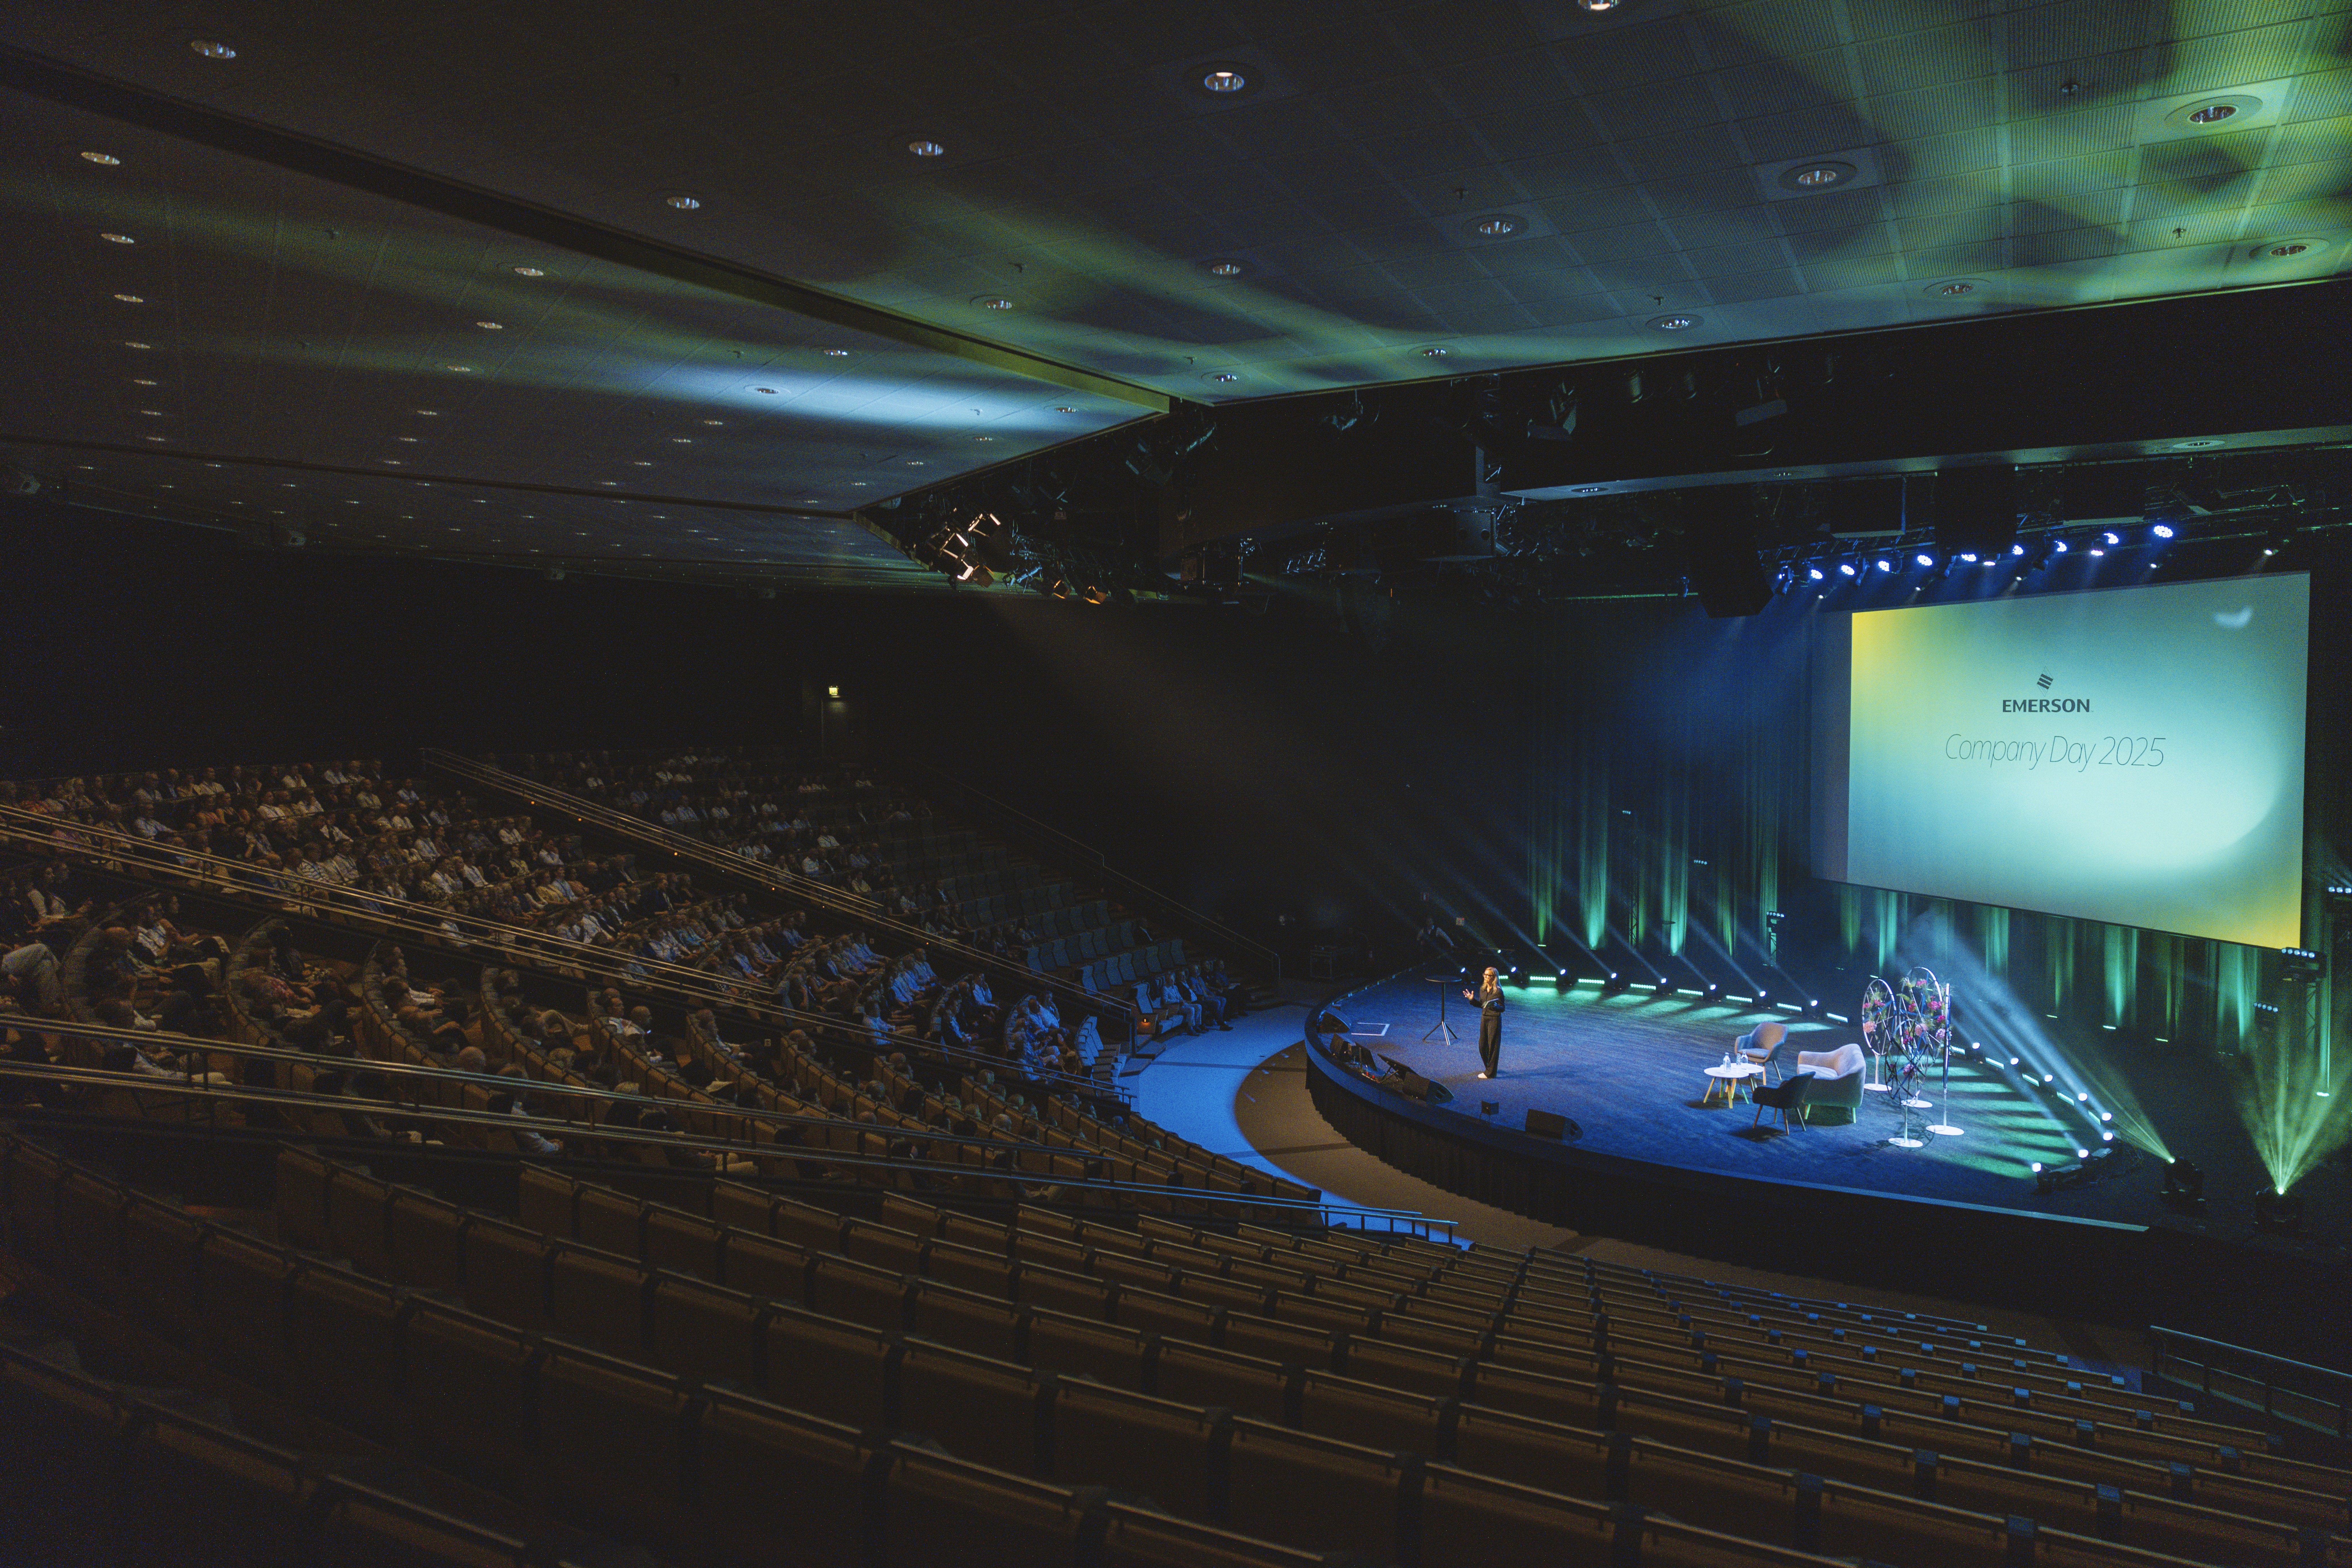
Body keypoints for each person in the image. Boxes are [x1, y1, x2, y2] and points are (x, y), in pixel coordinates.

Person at [1464, 965, 1506, 1079]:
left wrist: (1497, 1006)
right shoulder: (1483, 989)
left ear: (1494, 978)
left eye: (1489, 976)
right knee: (1482, 1045)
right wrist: (1472, 1000)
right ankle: (1491, 1068)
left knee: (1493, 1046)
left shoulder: (1498, 992)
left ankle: (1491, 1073)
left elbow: (1503, 1008)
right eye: (1485, 975)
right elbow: (1482, 1005)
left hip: (1494, 1019)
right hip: (1485, 1018)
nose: (1486, 977)